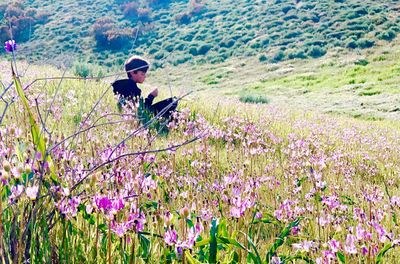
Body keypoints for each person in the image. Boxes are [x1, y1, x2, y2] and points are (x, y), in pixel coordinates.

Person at [112, 55, 177, 119]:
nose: (144, 76)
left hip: (131, 117)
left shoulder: (122, 85)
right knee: (172, 102)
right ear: (132, 72)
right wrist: (151, 96)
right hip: (136, 118)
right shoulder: (130, 87)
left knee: (172, 106)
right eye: (142, 74)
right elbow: (141, 110)